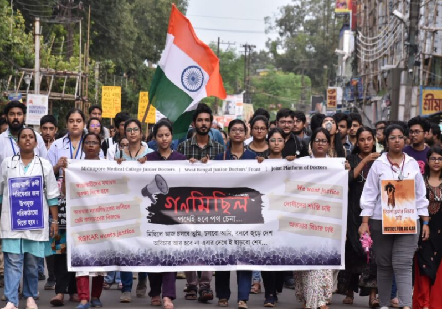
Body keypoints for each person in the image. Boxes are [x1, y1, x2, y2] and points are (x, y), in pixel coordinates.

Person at [359, 124, 430, 309]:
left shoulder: (413, 164)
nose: (396, 140)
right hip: (380, 221)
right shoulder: (378, 164)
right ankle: (384, 304)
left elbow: (421, 196)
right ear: (386, 141)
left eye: (400, 137)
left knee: (404, 264)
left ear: (405, 139)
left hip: (408, 220)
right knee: (383, 265)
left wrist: (425, 221)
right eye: (392, 137)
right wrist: (364, 222)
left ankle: (406, 305)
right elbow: (369, 194)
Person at [0, 127, 59, 309]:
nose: (27, 139)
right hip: (11, 221)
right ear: (17, 142)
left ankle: (31, 297)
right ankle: (11, 300)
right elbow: (1, 192)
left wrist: (55, 221)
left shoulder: (44, 165)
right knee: (12, 261)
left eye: (30, 137)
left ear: (35, 142)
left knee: (33, 262)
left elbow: (52, 195)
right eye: (23, 137)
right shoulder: (8, 163)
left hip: (35, 221)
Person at [177, 104, 221, 302]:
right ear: (193, 123)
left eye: (207, 120)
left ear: (211, 124)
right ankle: (191, 285)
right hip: (188, 204)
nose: (203, 124)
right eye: (200, 120)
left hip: (212, 205)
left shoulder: (220, 149)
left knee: (208, 244)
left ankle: (205, 285)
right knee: (189, 244)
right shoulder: (183, 148)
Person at [59, 133, 106, 309]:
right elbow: (64, 192)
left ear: (100, 146)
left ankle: (96, 296)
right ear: (83, 145)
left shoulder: (107, 166)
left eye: (95, 142)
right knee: (81, 260)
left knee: (101, 261)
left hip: (103, 219)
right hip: (81, 219)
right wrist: (65, 171)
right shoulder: (74, 165)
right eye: (88, 142)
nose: (91, 145)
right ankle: (84, 298)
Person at [214, 120, 255, 309]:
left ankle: (243, 298)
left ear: (246, 134)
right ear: (228, 133)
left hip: (246, 214)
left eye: (241, 130)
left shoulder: (254, 158)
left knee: (244, 256)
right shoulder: (219, 157)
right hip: (222, 214)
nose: (237, 133)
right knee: (223, 256)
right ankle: (222, 295)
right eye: (234, 130)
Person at [47, 108, 87, 306]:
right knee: (61, 247)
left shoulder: (91, 144)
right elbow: (46, 173)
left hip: (84, 202)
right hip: (62, 203)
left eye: (78, 120)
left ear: (84, 124)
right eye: (71, 120)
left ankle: (74, 290)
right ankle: (60, 291)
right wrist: (57, 167)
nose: (75, 124)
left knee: (79, 246)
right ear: (66, 124)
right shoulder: (56, 146)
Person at [145, 120, 186, 309]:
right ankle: (154, 291)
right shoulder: (148, 159)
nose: (164, 139)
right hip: (153, 216)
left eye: (167, 135)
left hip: (173, 215)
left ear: (172, 136)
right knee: (154, 254)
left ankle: (168, 295)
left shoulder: (180, 158)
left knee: (170, 254)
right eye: (160, 135)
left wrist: (195, 166)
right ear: (155, 138)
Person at [338, 127, 379, 307]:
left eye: (369, 139)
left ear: (374, 140)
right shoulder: (351, 159)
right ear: (357, 142)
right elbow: (348, 179)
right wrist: (364, 162)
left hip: (375, 212)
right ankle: (349, 292)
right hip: (353, 211)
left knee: (373, 254)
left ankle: (372, 295)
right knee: (353, 251)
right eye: (362, 140)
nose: (366, 143)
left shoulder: (381, 161)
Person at [294, 127, 334, 309]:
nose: (320, 143)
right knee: (305, 261)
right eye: (317, 140)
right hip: (303, 219)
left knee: (322, 261)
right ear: (311, 144)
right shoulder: (301, 163)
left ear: (329, 144)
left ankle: (320, 299)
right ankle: (307, 297)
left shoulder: (336, 165)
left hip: (326, 219)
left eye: (323, 141)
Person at [256, 128, 295, 307]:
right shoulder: (260, 162)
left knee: (281, 255)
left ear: (284, 143)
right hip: (265, 214)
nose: (276, 143)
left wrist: (294, 165)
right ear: (268, 142)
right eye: (273, 140)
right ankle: (269, 293)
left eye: (280, 140)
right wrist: (258, 166)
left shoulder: (292, 162)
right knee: (267, 254)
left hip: (285, 214)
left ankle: (276, 286)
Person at [115, 119, 152, 303]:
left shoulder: (150, 154)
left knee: (143, 245)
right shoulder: (119, 154)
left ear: (141, 132)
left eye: (135, 129)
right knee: (125, 247)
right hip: (124, 206)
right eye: (128, 129)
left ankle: (143, 276)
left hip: (146, 206)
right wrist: (116, 165)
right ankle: (126, 287)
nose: (131, 132)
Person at [412, 146, 442, 309]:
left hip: (441, 232)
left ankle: (435, 304)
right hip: (423, 230)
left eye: (440, 158)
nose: (437, 162)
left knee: (438, 268)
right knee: (424, 267)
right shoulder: (420, 182)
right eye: (433, 158)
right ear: (427, 161)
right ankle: (424, 303)